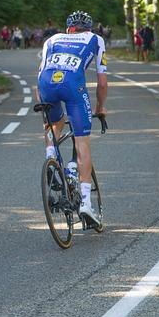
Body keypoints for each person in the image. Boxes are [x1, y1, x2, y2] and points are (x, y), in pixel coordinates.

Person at [36, 11, 108, 226]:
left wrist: (44, 109)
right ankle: (86, 202)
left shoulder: (52, 40)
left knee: (53, 122)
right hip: (73, 87)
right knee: (82, 142)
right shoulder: (96, 39)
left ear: (68, 29)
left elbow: (40, 75)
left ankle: (51, 159)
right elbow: (102, 82)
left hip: (46, 85)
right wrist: (100, 107)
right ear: (90, 28)